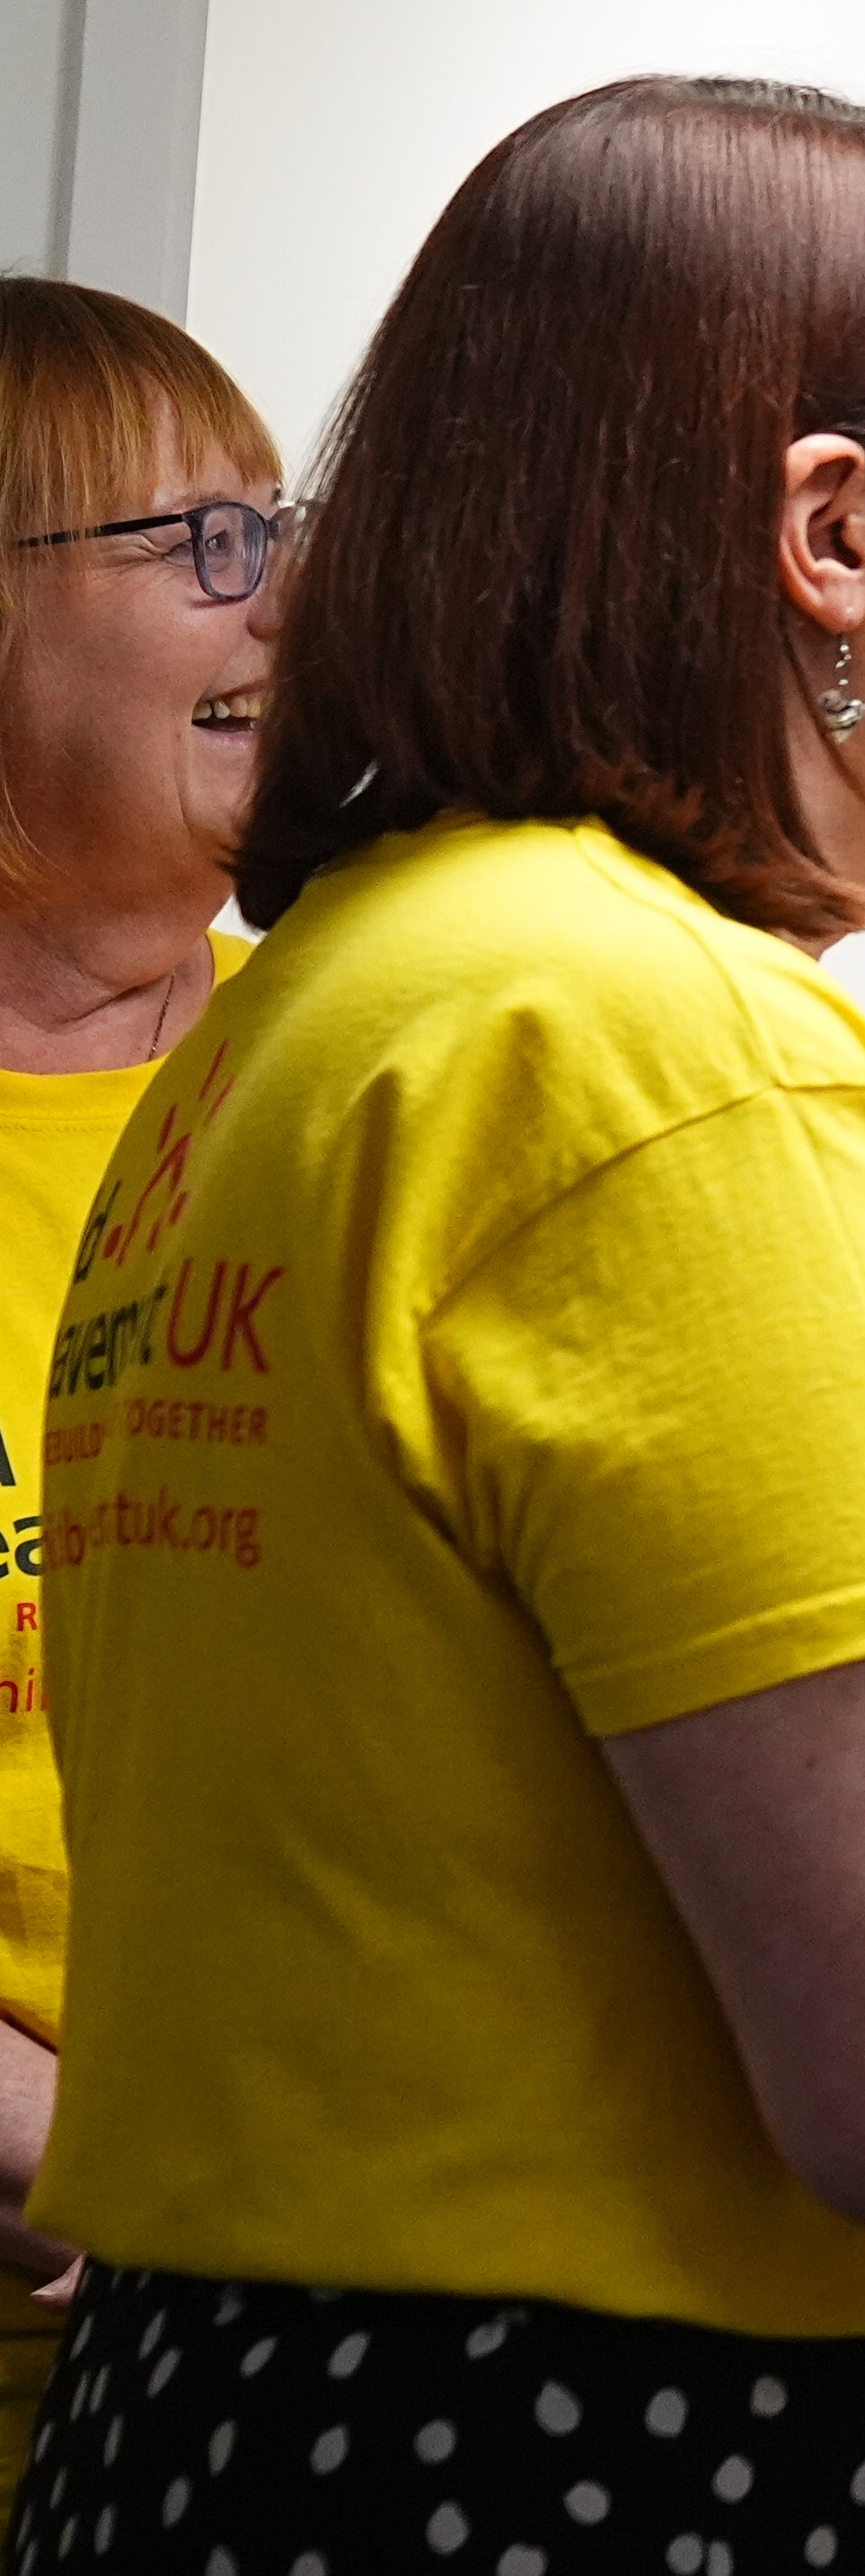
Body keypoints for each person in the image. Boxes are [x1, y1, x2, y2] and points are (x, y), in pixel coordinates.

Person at [6, 77, 865, 2576]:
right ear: (830, 532)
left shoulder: (330, 1015)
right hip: (635, 2485)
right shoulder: (647, 1047)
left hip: (259, 2456)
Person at [0, 282, 289, 2513]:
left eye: (279, 533)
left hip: (300, 2393)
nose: (279, 602)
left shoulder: (379, 1053)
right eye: (203, 542)